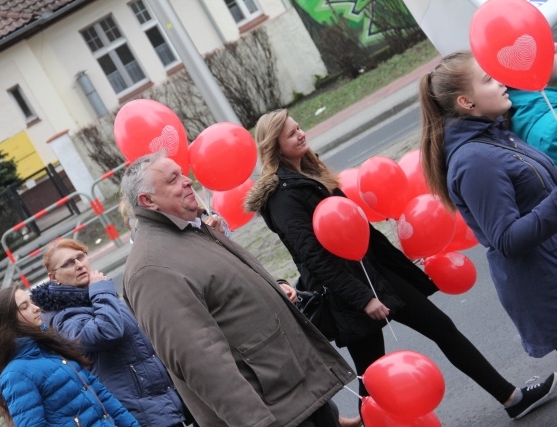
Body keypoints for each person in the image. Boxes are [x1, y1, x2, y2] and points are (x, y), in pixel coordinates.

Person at [244, 108, 557, 421]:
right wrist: (362, 298)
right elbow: (312, 255)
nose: (300, 134)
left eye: (299, 127)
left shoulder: (310, 175)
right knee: (373, 374)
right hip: (346, 293)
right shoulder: (283, 197)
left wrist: (398, 261)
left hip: (375, 274)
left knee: (441, 328)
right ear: (274, 145)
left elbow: (357, 230)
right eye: (291, 134)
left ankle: (511, 397)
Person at [120, 150, 360, 427]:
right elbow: (200, 361)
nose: (187, 181)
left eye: (183, 173)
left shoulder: (192, 229)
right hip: (272, 412)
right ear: (148, 201)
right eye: (173, 179)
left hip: (294, 392)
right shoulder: (152, 268)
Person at [420, 51, 557, 358]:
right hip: (546, 282)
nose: (501, 83)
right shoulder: (474, 161)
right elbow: (506, 238)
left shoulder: (497, 134)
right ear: (467, 103)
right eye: (488, 79)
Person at [31, 237, 192, 427]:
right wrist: (100, 290)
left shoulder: (95, 295)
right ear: (53, 277)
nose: (79, 265)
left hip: (161, 400)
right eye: (68, 263)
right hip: (138, 411)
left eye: (80, 257)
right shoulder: (62, 315)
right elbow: (107, 331)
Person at [0, 286, 140, 427]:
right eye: (25, 307)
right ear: (7, 320)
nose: (36, 308)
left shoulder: (52, 347)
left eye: (31, 302)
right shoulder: (15, 374)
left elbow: (102, 397)